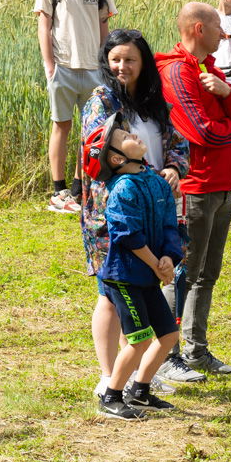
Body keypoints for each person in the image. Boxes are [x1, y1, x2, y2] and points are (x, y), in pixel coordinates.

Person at [81, 29, 190, 396]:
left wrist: (174, 168)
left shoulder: (155, 101)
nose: (122, 66)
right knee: (110, 291)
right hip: (115, 208)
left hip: (155, 204)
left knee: (143, 287)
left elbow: (178, 143)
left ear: (143, 62)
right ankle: (110, 375)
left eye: (130, 59)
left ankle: (139, 372)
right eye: (115, 60)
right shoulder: (101, 100)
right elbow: (97, 154)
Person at [156, 3, 231, 376]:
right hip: (194, 189)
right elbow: (203, 132)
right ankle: (167, 355)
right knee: (181, 273)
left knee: (206, 273)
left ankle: (196, 351)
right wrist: (229, 129)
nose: (223, 36)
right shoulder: (178, 72)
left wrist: (228, 95)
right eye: (217, 29)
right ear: (198, 28)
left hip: (222, 185)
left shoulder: (208, 71)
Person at [82, 112, 183, 420]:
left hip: (149, 274)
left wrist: (170, 257)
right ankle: (111, 396)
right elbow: (128, 236)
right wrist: (156, 265)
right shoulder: (124, 188)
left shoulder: (156, 182)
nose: (134, 135)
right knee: (139, 340)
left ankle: (139, 391)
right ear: (114, 159)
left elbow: (171, 225)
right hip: (124, 277)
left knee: (168, 336)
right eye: (124, 137)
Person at [34, 0, 117, 213]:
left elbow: (105, 31)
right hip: (64, 67)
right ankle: (58, 191)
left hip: (94, 70)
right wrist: (49, 65)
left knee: (91, 132)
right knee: (61, 125)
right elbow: (43, 26)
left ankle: (79, 188)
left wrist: (107, 67)